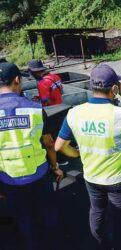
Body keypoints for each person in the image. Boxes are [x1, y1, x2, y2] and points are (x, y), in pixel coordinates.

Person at [55, 64, 121, 249]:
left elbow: (59, 146)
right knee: (119, 220)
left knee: (97, 212)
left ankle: (100, 244)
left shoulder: (74, 113)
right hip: (119, 178)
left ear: (91, 86)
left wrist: (77, 153)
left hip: (92, 177)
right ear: (114, 89)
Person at [0, 62, 64, 250]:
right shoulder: (34, 109)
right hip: (39, 174)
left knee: (23, 218)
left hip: (9, 177)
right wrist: (55, 167)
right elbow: (49, 143)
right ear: (17, 80)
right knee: (48, 214)